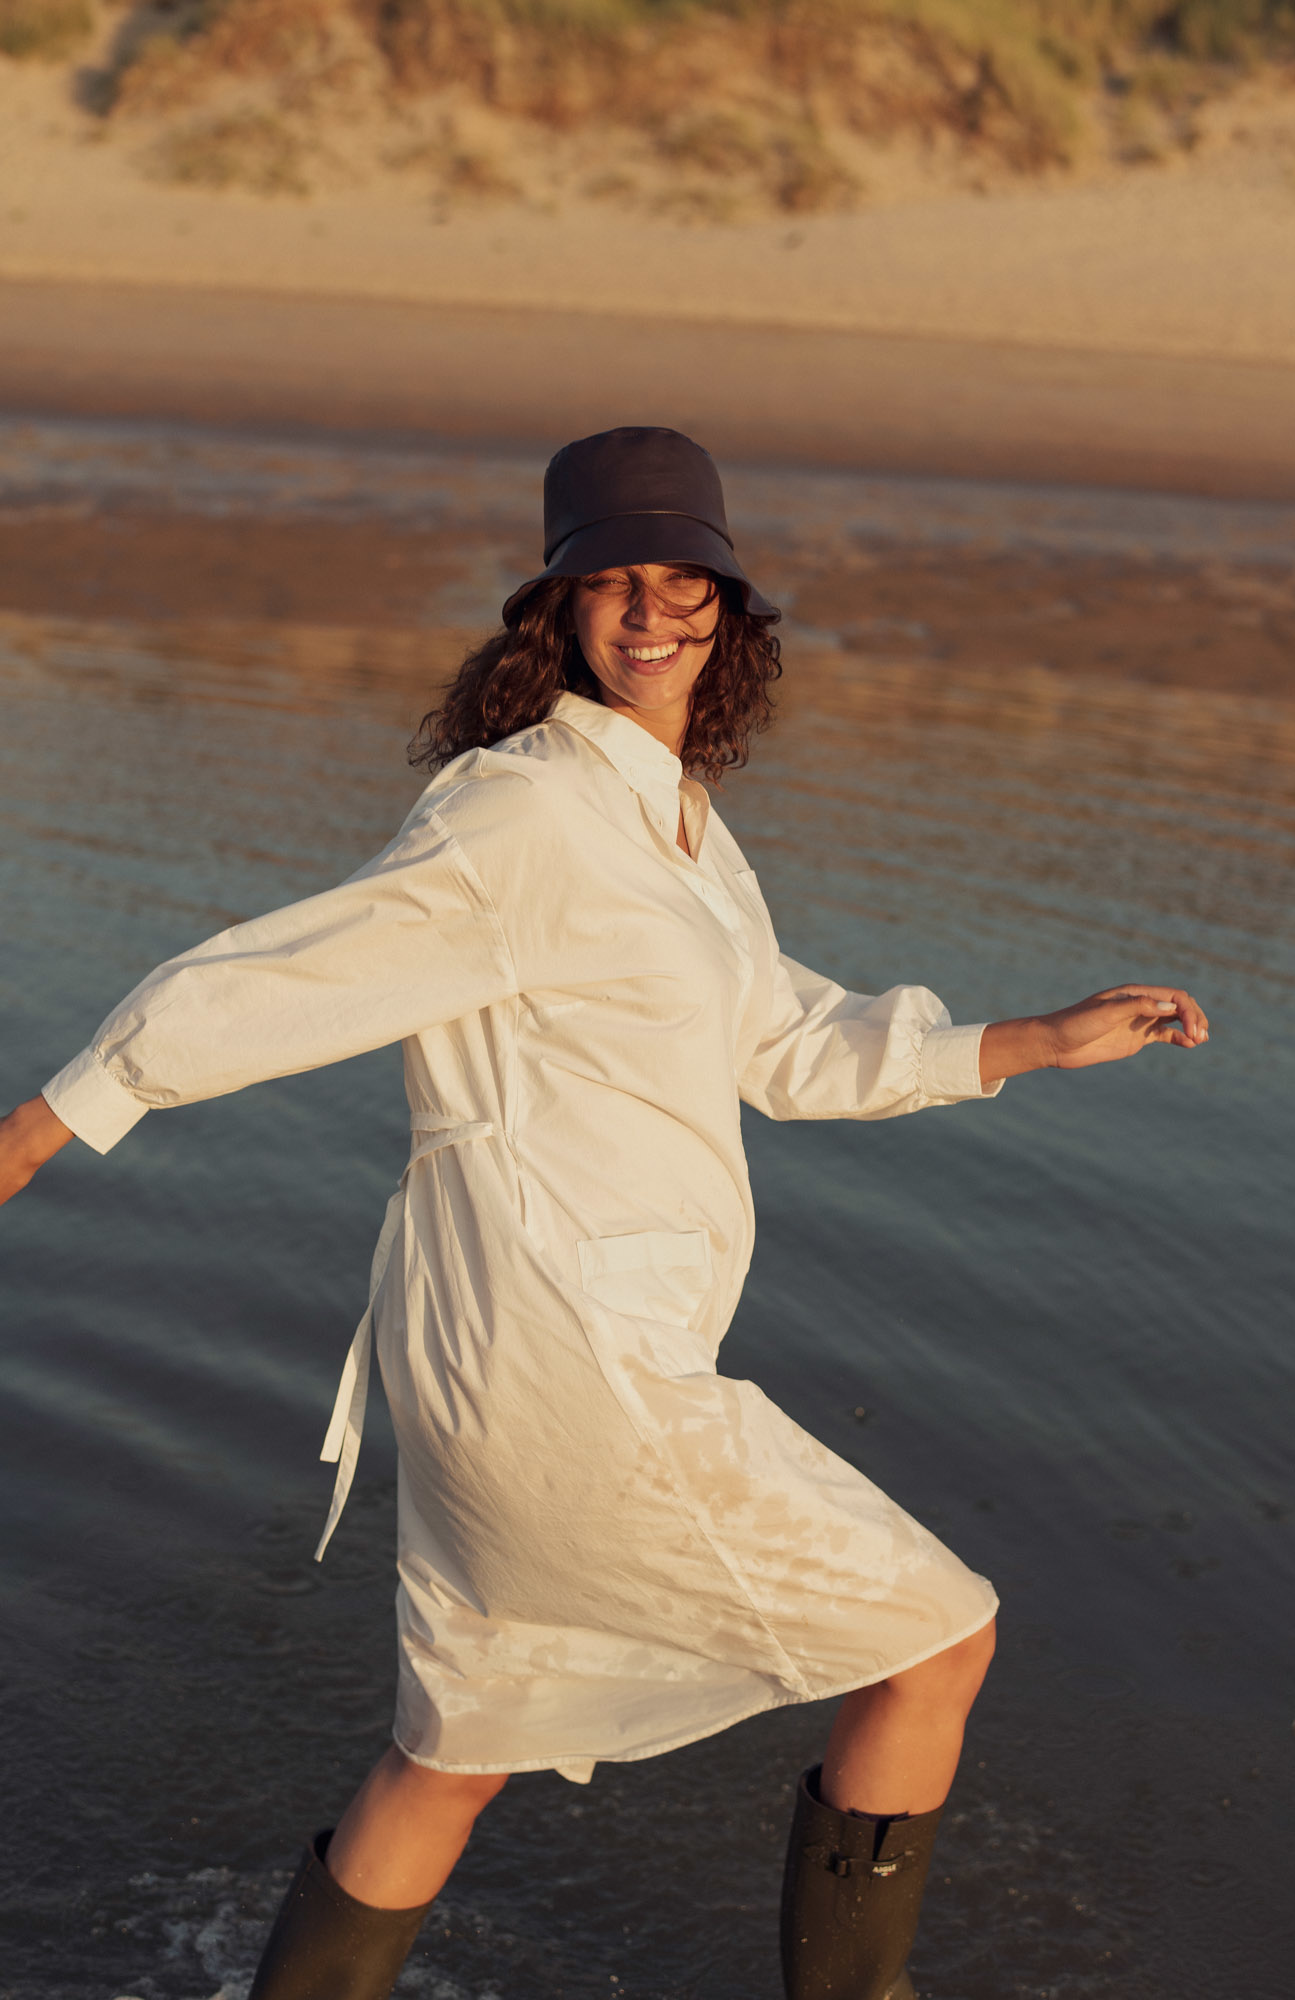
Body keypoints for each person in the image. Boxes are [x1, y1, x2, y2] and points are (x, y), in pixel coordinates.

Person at [0, 427, 1208, 2000]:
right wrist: (44, 1122)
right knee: (936, 1644)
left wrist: (1030, 1040)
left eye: (681, 581)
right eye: (610, 581)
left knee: (455, 1754)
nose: (649, 613)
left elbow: (781, 1041)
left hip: (537, 1341)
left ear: (728, 609)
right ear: (556, 609)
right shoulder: (522, 811)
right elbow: (287, 972)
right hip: (563, 1348)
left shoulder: (674, 820)